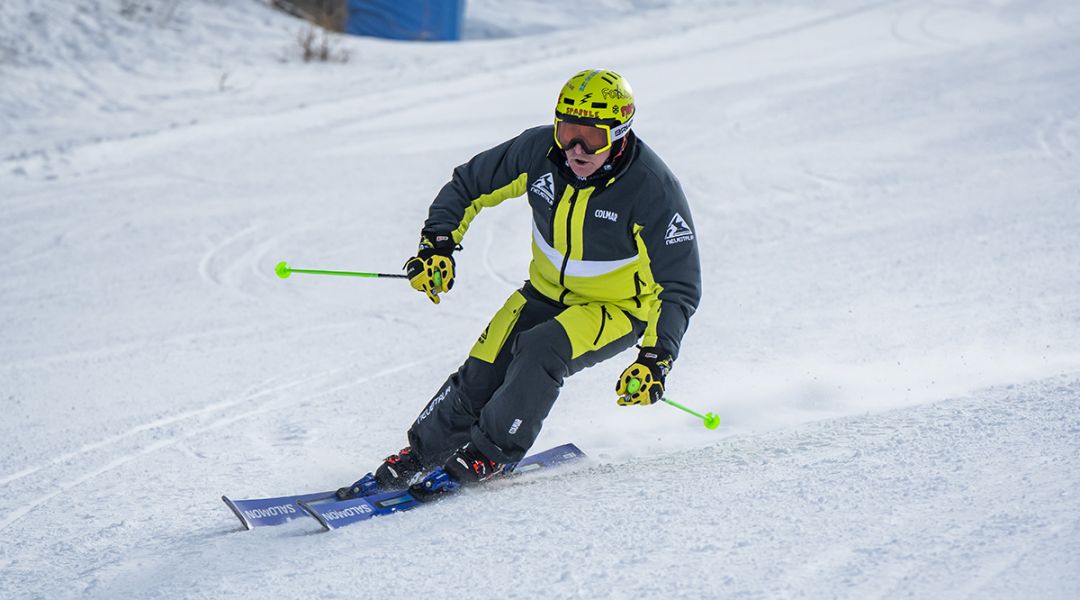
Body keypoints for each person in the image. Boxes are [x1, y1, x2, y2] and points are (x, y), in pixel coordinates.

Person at [338, 69, 701, 501]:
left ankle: (491, 453)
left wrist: (656, 358)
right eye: (568, 131)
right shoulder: (539, 151)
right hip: (542, 291)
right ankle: (422, 454)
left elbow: (677, 284)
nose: (576, 148)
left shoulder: (651, 188)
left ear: (619, 134)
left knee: (541, 348)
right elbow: (469, 184)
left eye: (593, 137)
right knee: (482, 372)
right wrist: (437, 245)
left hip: (617, 308)